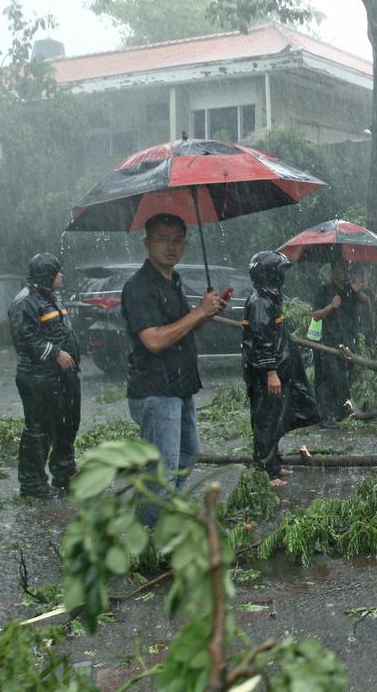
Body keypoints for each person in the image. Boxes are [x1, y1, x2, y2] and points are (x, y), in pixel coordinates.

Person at [120, 213, 226, 523]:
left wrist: (207, 313)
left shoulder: (173, 281)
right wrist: (198, 313)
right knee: (163, 470)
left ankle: (163, 516)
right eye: (164, 239)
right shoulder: (137, 287)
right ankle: (151, 536)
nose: (172, 246)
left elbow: (182, 330)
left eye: (178, 239)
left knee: (186, 456)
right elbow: (153, 340)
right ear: (147, 242)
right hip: (155, 389)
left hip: (180, 386)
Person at [242, 251, 320, 486]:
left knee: (278, 416)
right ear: (269, 273)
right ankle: (265, 471)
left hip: (280, 371)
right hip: (267, 375)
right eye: (280, 271)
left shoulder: (270, 298)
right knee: (266, 419)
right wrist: (271, 372)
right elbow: (261, 340)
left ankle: (274, 463)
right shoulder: (260, 302)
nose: (282, 276)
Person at [8, 253, 80, 500]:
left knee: (66, 424)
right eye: (58, 271)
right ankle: (33, 485)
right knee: (39, 429)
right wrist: (55, 353)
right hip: (37, 377)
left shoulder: (52, 296)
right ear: (48, 274)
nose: (62, 275)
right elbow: (24, 338)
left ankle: (64, 472)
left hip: (63, 377)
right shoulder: (25, 301)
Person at [310, 258, 370, 428]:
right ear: (333, 271)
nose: (343, 271)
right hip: (328, 343)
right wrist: (331, 306)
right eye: (340, 268)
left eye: (345, 268)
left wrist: (358, 292)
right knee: (329, 379)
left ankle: (342, 410)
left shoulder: (350, 291)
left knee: (345, 378)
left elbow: (367, 301)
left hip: (348, 342)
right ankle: (326, 416)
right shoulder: (325, 291)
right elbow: (315, 315)